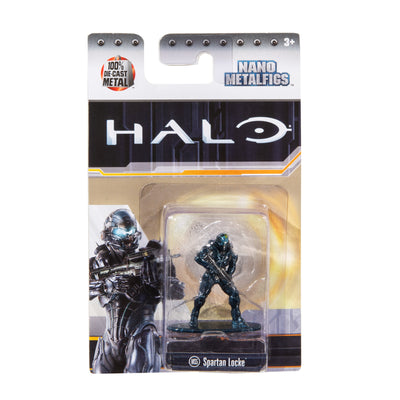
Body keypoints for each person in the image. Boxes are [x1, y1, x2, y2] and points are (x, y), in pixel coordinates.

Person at [89, 208, 184, 373]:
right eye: (121, 231)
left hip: (140, 336)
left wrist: (158, 281)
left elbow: (179, 291)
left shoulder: (151, 260)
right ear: (109, 233)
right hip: (109, 342)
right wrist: (105, 286)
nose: (128, 236)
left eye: (131, 231)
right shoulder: (99, 264)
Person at [190, 233, 247, 329]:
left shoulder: (230, 251)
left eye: (225, 245)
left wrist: (228, 276)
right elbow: (198, 258)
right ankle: (193, 318)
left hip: (222, 274)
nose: (223, 247)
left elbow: (232, 265)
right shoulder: (210, 248)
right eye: (221, 245)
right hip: (210, 275)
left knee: (234, 294)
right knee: (201, 297)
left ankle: (237, 319)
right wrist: (210, 266)